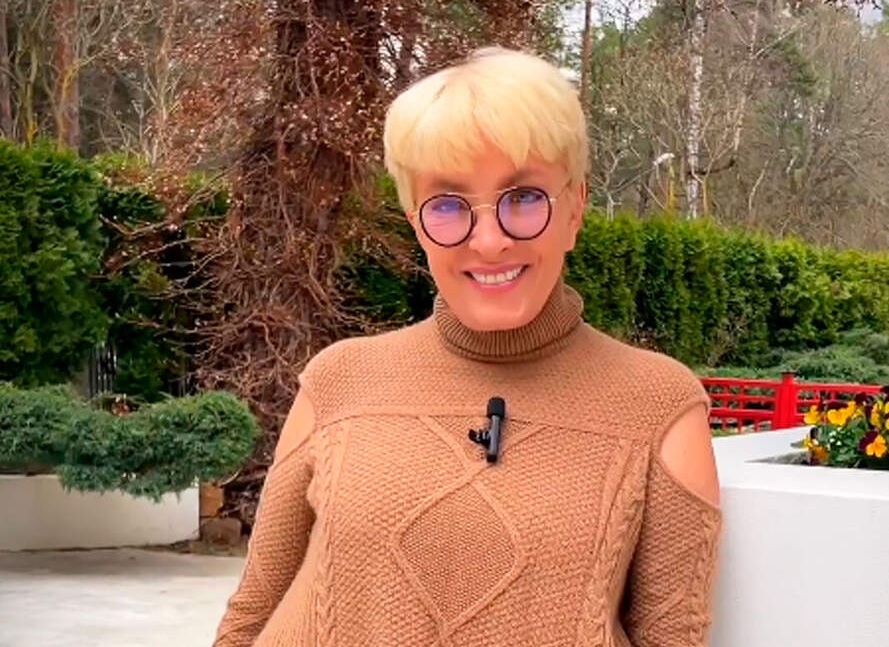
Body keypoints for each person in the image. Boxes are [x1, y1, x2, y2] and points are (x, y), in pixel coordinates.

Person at [214, 46, 721, 647]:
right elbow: (253, 611)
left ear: (576, 209)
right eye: (449, 206)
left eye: (523, 198)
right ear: (416, 224)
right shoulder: (338, 382)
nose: (488, 241)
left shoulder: (658, 406)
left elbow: (673, 636)